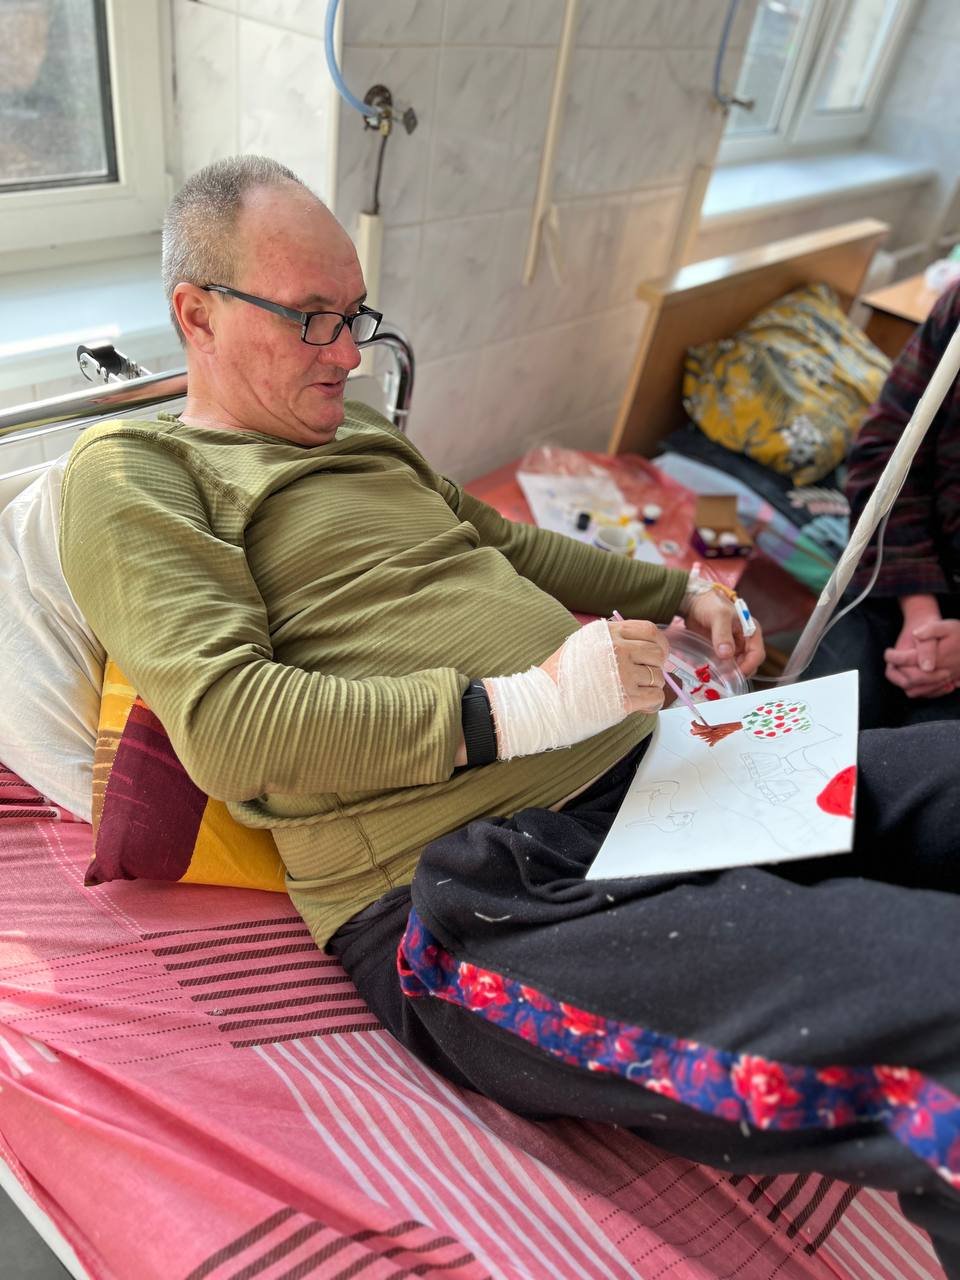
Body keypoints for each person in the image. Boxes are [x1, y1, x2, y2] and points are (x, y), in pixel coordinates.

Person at [58, 156, 960, 1277]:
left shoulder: (361, 435)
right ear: (196, 314)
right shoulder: (134, 473)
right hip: (482, 883)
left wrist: (675, 589)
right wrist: (535, 705)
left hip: (664, 772)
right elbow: (233, 727)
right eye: (310, 318)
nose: (348, 354)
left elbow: (507, 545)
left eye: (355, 316)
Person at [803, 281, 960, 728]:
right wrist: (919, 607)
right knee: (811, 729)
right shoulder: (957, 312)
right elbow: (884, 454)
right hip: (905, 571)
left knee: (922, 762)